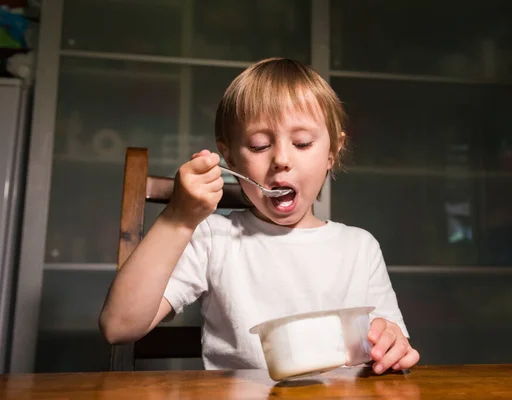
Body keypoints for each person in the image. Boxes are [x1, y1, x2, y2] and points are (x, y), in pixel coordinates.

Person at [99, 57, 420, 375]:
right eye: (258, 145)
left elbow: (392, 346)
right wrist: (178, 219)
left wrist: (391, 345)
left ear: (332, 153)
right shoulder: (214, 238)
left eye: (302, 143)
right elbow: (118, 326)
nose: (281, 158)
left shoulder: (359, 248)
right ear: (231, 159)